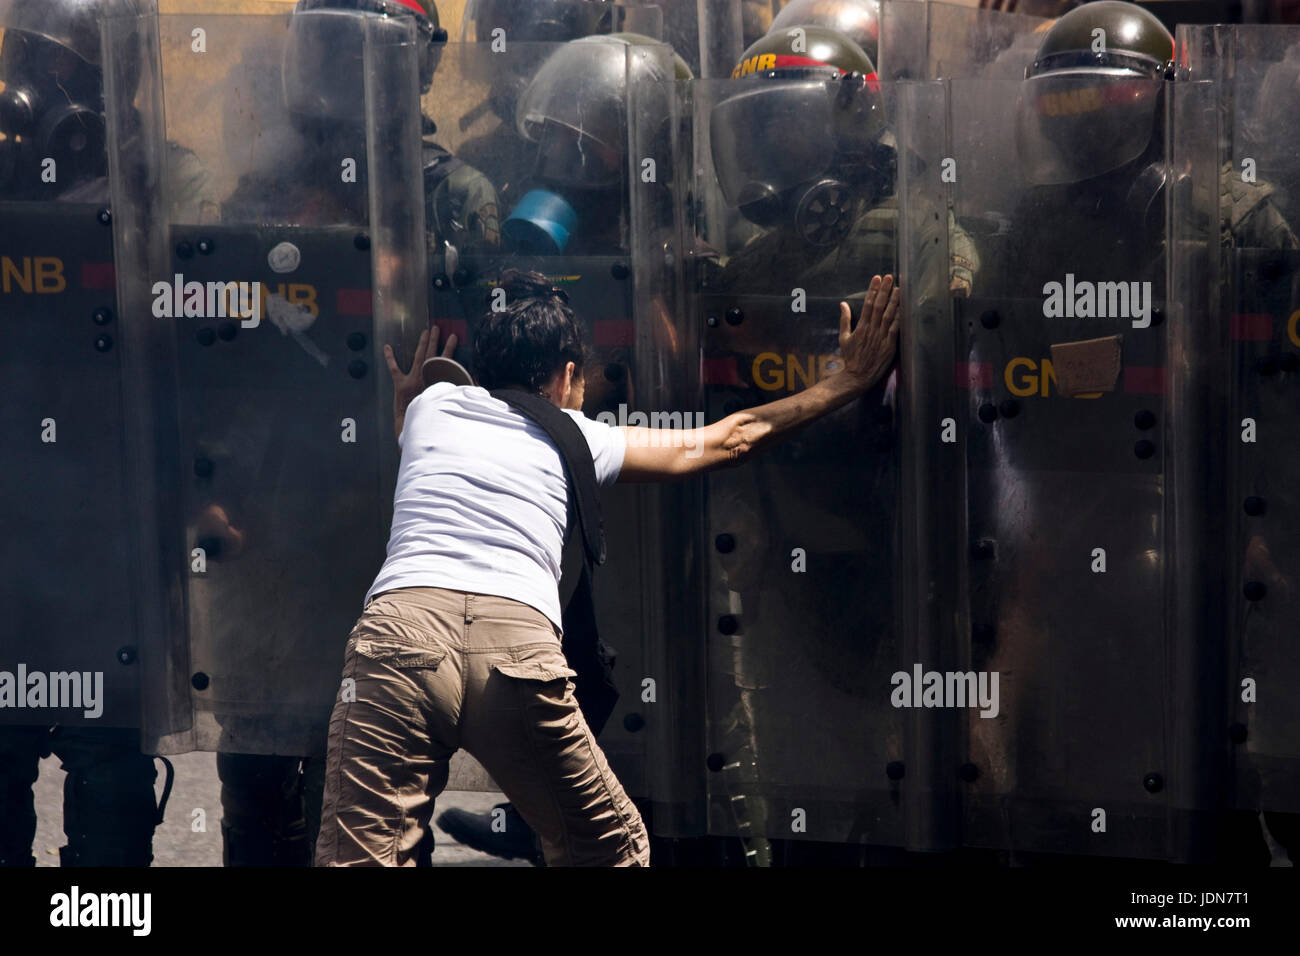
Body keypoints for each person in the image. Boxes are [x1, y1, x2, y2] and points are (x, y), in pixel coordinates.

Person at [315, 266, 900, 866]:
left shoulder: (431, 408)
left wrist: (407, 395)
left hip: (399, 637)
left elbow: (415, 426)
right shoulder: (580, 436)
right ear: (569, 377)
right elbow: (734, 439)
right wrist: (848, 380)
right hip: (515, 649)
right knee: (609, 850)